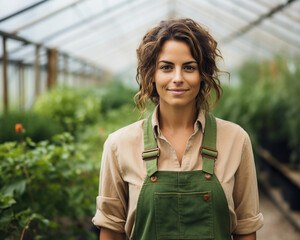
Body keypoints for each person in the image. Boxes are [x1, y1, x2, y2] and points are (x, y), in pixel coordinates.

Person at [92, 18, 264, 240]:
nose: (178, 78)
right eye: (166, 67)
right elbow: (111, 231)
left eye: (189, 67)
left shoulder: (235, 140)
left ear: (203, 75)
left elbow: (246, 229)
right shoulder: (119, 145)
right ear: (151, 75)